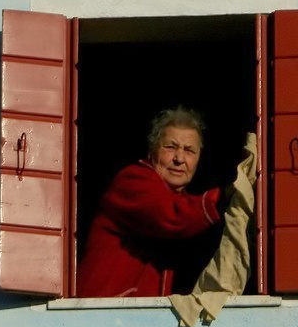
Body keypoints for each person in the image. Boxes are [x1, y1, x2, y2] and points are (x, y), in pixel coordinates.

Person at [76, 107, 228, 298]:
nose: (179, 159)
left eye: (189, 150)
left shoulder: (187, 204)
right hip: (96, 316)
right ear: (152, 149)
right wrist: (226, 197)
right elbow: (172, 216)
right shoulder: (133, 181)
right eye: (170, 147)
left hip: (135, 320)